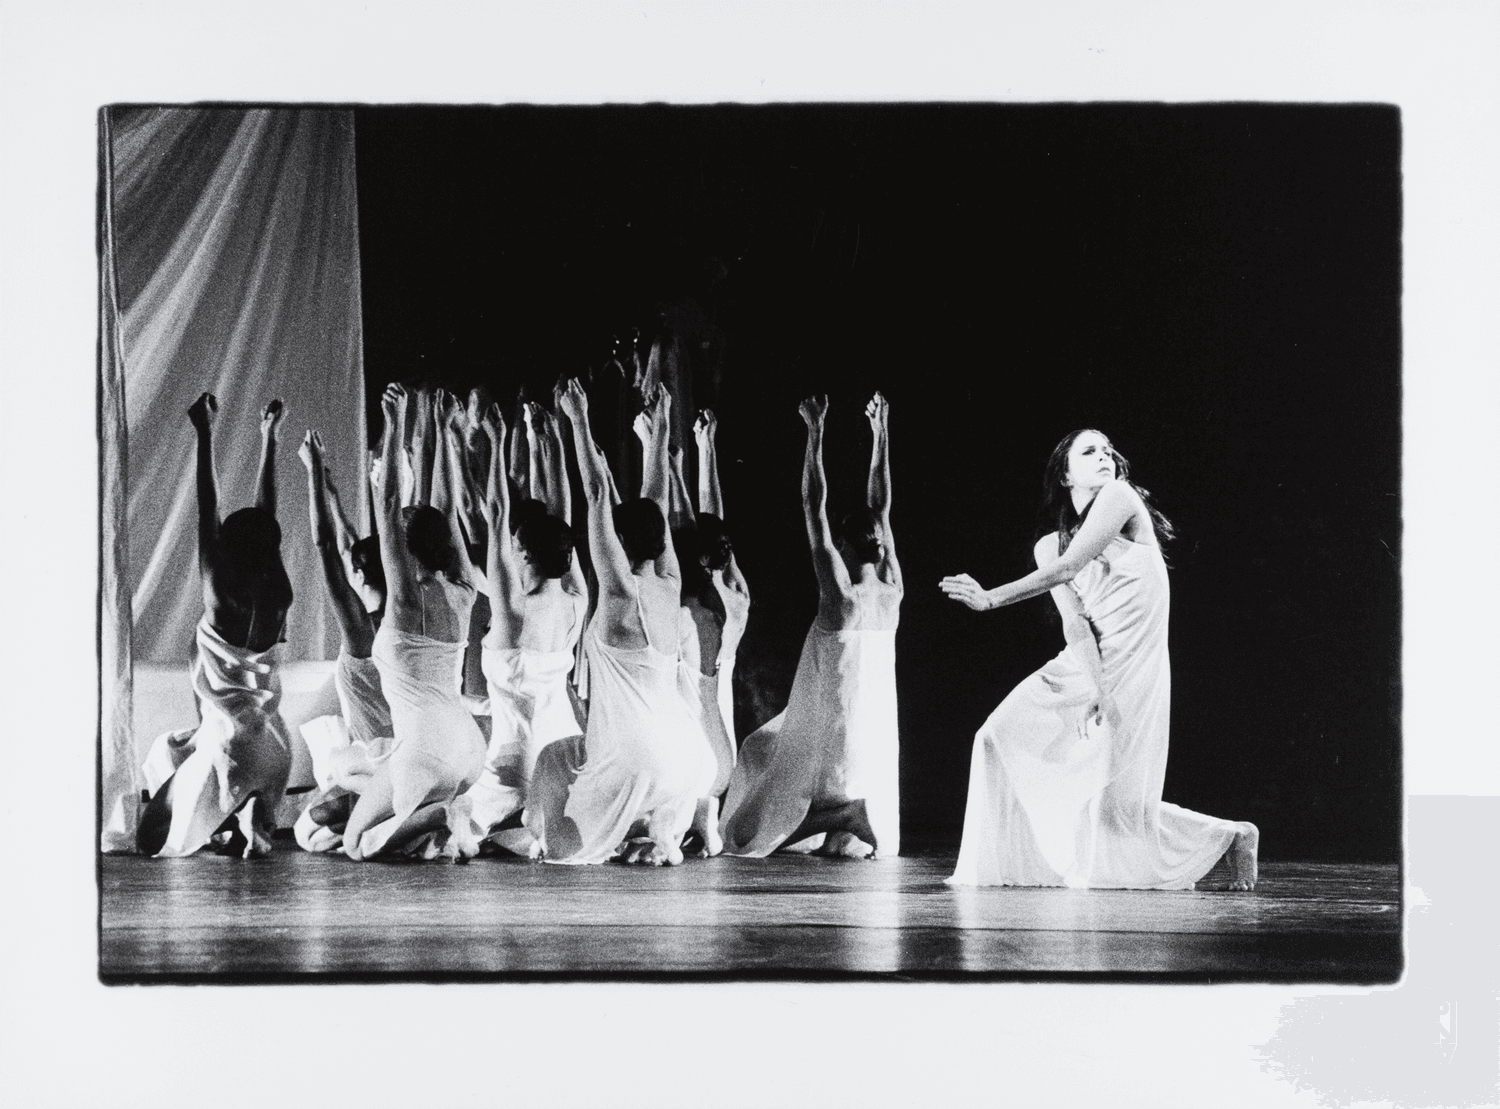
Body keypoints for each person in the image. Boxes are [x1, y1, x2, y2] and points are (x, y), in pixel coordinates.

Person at [940, 429, 1259, 890]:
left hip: (1136, 664)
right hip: (1086, 665)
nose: (1104, 456)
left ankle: (1233, 837)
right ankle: (1015, 866)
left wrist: (990, 598)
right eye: (1089, 451)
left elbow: (1072, 567)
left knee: (1116, 807)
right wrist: (1097, 686)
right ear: (1065, 475)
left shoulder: (1120, 497)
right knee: (994, 737)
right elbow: (1076, 624)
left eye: (1108, 449)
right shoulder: (1047, 546)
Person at [526, 379, 716, 866]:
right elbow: (655, 500)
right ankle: (654, 827)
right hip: (684, 757)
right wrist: (659, 434)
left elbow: (594, 494)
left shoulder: (618, 592)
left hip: (635, 759)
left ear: (620, 543)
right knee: (573, 754)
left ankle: (634, 825)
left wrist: (578, 420)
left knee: (554, 779)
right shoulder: (669, 582)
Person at [719, 392, 902, 860]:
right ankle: (845, 822)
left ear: (842, 543)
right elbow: (881, 508)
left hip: (836, 727)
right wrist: (881, 433)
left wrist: (815, 432)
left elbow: (812, 506)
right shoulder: (892, 587)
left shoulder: (840, 596)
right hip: (873, 730)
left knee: (741, 836)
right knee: (760, 745)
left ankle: (845, 816)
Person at [135, 393, 294, 859]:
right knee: (174, 750)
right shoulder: (278, 592)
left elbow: (208, 510)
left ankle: (230, 812)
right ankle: (242, 815)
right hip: (275, 745)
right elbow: (269, 518)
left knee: (147, 840)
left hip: (231, 748)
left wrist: (204, 435)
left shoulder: (220, 594)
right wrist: (270, 440)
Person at [335, 383, 487, 861]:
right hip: (467, 749)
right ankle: (437, 814)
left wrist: (395, 422)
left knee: (354, 846)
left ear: (405, 545)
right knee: (391, 830)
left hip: (427, 750)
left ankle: (440, 814)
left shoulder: (405, 600)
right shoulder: (463, 590)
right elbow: (447, 514)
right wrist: (442, 435)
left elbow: (387, 506)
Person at [462, 402, 587, 856]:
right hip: (566, 752)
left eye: (515, 548)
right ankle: (528, 830)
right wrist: (549, 446)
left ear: (523, 554)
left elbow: (495, 513)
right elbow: (564, 523)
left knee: (443, 822)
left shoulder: (512, 609)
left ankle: (517, 829)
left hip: (512, 761)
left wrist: (495, 444)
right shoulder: (578, 600)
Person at [290, 429, 395, 854]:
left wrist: (314, 473)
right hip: (399, 749)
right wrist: (331, 490)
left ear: (360, 574)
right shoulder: (403, 614)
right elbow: (350, 543)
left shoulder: (361, 629)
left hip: (377, 758)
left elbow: (327, 546)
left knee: (307, 832)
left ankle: (375, 809)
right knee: (319, 813)